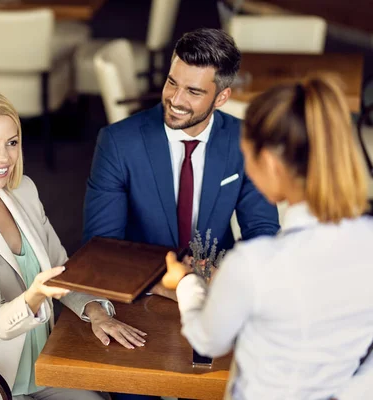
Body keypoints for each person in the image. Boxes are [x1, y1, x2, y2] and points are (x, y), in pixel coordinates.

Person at [0, 89, 147, 400]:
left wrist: (95, 311)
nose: (4, 158)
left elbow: (60, 266)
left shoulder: (23, 191)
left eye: (11, 143)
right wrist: (35, 295)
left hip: (43, 367)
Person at [164, 76, 373, 399]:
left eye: (247, 156)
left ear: (272, 165)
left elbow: (208, 340)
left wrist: (186, 283)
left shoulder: (255, 263)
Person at [83, 28, 280, 306]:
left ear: (221, 98)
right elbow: (101, 246)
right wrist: (163, 285)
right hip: (143, 291)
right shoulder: (117, 143)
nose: (175, 99)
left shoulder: (245, 142)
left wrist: (231, 276)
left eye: (193, 91)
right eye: (172, 83)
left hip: (218, 289)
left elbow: (262, 229)